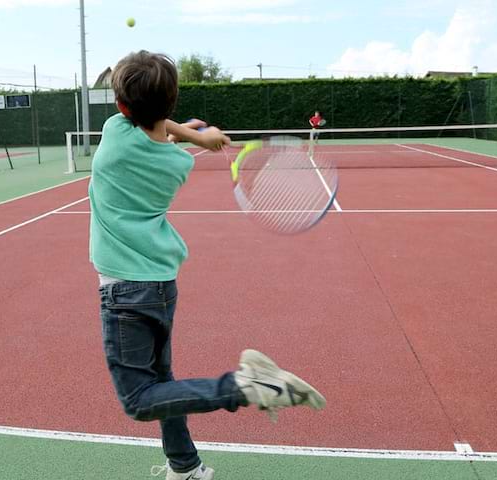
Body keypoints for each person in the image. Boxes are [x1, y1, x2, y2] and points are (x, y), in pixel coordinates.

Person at [89, 50, 326, 480]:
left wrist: (192, 135)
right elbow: (159, 127)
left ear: (122, 109)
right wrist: (199, 138)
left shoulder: (113, 136)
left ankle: (244, 386)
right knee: (164, 382)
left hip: (124, 292)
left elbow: (149, 121)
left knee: (140, 400)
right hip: (160, 286)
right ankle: (185, 466)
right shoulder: (176, 163)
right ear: (172, 103)